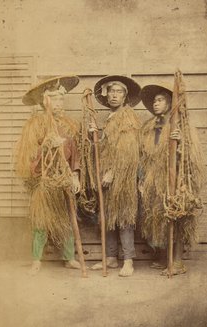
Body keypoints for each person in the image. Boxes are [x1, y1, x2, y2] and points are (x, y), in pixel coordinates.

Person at [15, 76, 82, 275]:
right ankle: (36, 260)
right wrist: (46, 147)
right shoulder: (34, 124)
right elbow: (27, 154)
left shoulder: (69, 125)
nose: (59, 103)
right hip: (43, 180)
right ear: (46, 101)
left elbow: (75, 154)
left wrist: (75, 176)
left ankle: (69, 258)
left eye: (62, 99)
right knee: (41, 221)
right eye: (55, 99)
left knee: (67, 220)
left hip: (64, 180)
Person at [139, 83, 204, 275]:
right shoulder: (149, 127)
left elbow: (192, 155)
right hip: (153, 178)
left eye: (160, 100)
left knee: (176, 215)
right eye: (154, 100)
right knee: (157, 216)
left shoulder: (182, 126)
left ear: (170, 103)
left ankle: (176, 261)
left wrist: (181, 141)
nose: (156, 103)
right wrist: (142, 178)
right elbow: (143, 155)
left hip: (175, 178)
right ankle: (161, 256)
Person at [91, 75, 142, 277]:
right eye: (111, 91)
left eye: (118, 92)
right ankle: (111, 258)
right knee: (109, 217)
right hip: (107, 175)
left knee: (123, 217)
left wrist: (113, 171)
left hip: (122, 176)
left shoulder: (127, 116)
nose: (114, 95)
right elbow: (106, 148)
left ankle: (128, 260)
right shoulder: (110, 118)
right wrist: (94, 135)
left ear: (125, 96)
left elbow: (127, 149)